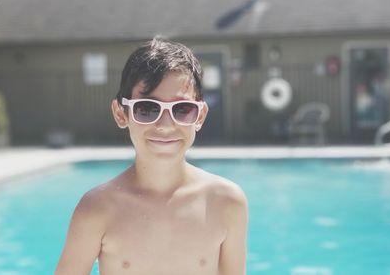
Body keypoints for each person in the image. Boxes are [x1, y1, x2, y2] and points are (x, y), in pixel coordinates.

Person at [55, 37, 248, 275]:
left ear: (200, 116)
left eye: (182, 109)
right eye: (147, 109)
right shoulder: (97, 209)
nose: (165, 125)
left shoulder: (227, 202)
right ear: (120, 113)